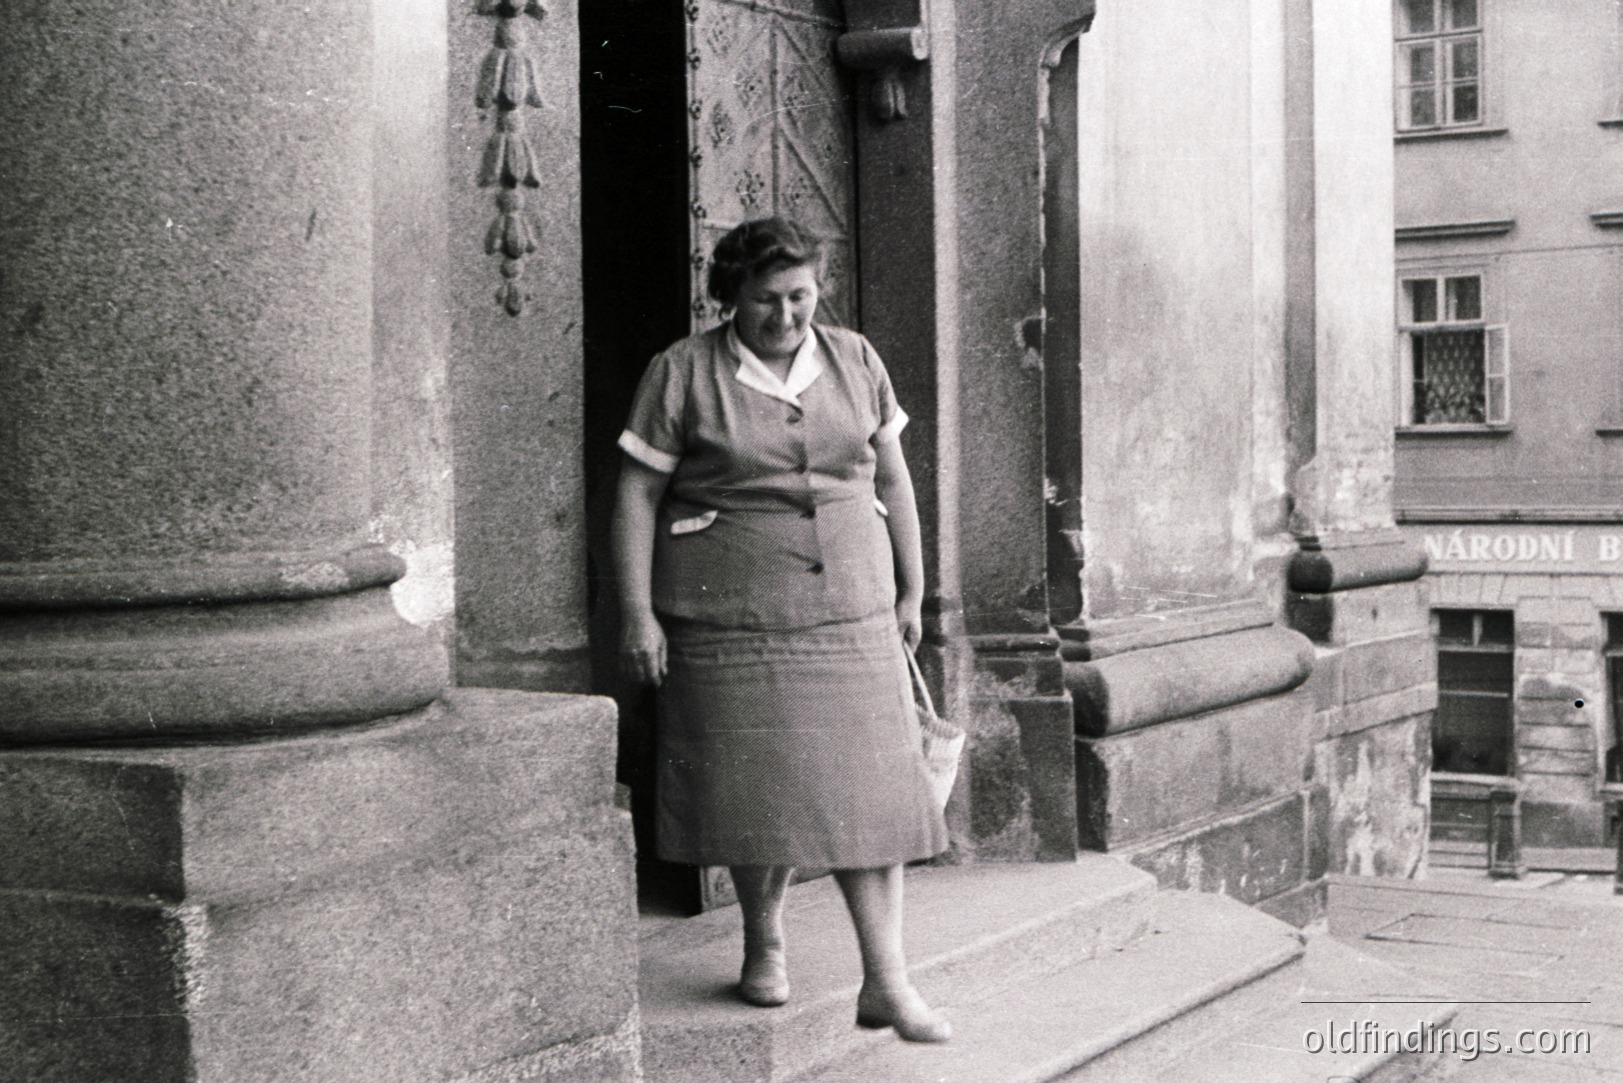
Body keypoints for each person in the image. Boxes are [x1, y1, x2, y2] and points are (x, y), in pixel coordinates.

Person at [612, 216, 951, 1043]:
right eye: (767, 300)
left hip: (851, 607)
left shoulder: (855, 358)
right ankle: (763, 940)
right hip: (730, 615)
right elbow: (634, 496)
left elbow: (894, 479)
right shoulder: (682, 372)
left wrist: (912, 588)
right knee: (754, 789)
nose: (788, 315)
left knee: (873, 796)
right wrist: (636, 613)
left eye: (801, 296)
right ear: (729, 295)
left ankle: (887, 981)